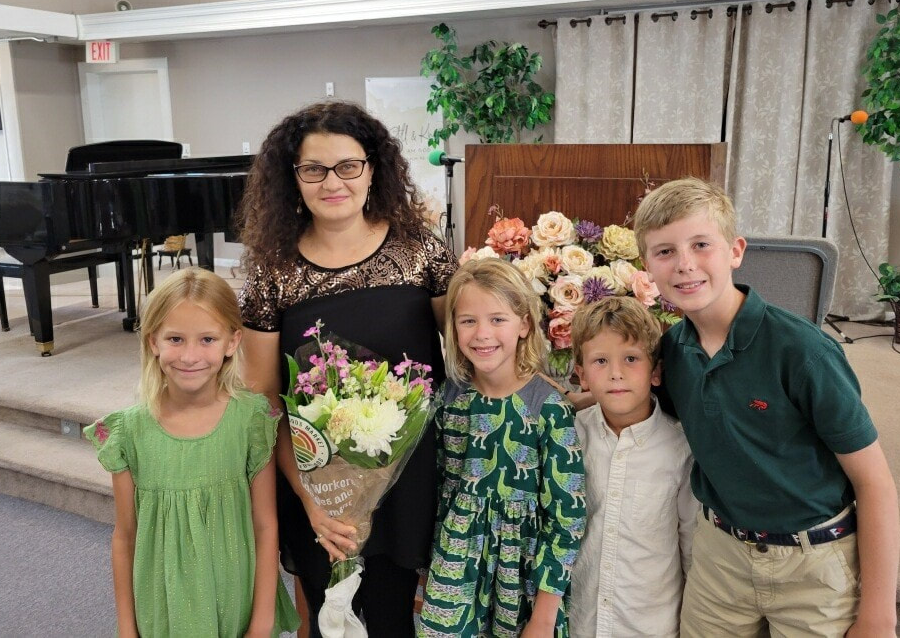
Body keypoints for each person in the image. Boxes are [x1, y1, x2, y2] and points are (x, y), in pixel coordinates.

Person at [633, 177, 900, 637]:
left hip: (814, 564)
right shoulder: (672, 351)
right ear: (647, 267)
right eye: (665, 252)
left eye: (701, 245)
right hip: (720, 557)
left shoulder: (803, 352)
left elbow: (875, 483)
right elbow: (639, 402)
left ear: (735, 251)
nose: (685, 265)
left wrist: (880, 615)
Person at [237, 100, 457, 636]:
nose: (332, 181)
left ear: (372, 168)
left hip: (408, 474)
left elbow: (475, 341)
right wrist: (312, 501)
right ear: (293, 179)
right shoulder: (273, 273)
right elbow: (265, 401)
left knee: (395, 613)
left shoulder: (420, 253)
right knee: (329, 616)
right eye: (313, 169)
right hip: (318, 483)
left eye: (347, 166)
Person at [83, 267, 299, 638]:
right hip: (164, 603)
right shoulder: (128, 432)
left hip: (235, 596)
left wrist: (261, 622)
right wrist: (126, 628)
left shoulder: (252, 421)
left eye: (207, 339)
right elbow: (125, 536)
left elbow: (265, 525)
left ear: (232, 342)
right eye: (176, 339)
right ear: (153, 342)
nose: (190, 355)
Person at [418, 257, 586, 638]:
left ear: (524, 324)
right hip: (457, 562)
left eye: (497, 319)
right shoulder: (450, 400)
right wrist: (432, 568)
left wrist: (544, 614)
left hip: (524, 574)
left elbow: (568, 515)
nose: (482, 334)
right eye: (468, 321)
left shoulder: (548, 409)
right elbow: (443, 487)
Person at [568, 295, 698, 637]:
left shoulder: (680, 448)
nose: (616, 374)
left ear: (655, 372)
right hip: (579, 621)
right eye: (599, 361)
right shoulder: (569, 438)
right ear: (581, 375)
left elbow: (691, 546)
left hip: (649, 625)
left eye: (630, 359)